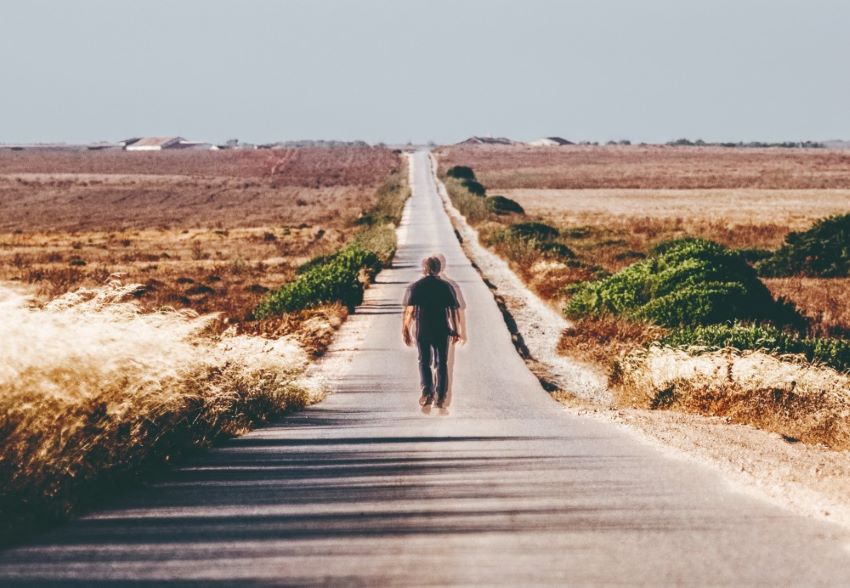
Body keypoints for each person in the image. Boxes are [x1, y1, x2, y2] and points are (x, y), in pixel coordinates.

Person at [401, 255, 465, 410]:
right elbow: (453, 310)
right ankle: (441, 396)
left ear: (425, 268)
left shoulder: (416, 287)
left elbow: (409, 311)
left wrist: (405, 330)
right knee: (441, 363)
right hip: (441, 329)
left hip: (423, 329)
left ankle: (426, 390)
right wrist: (456, 330)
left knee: (424, 361)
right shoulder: (446, 286)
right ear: (439, 269)